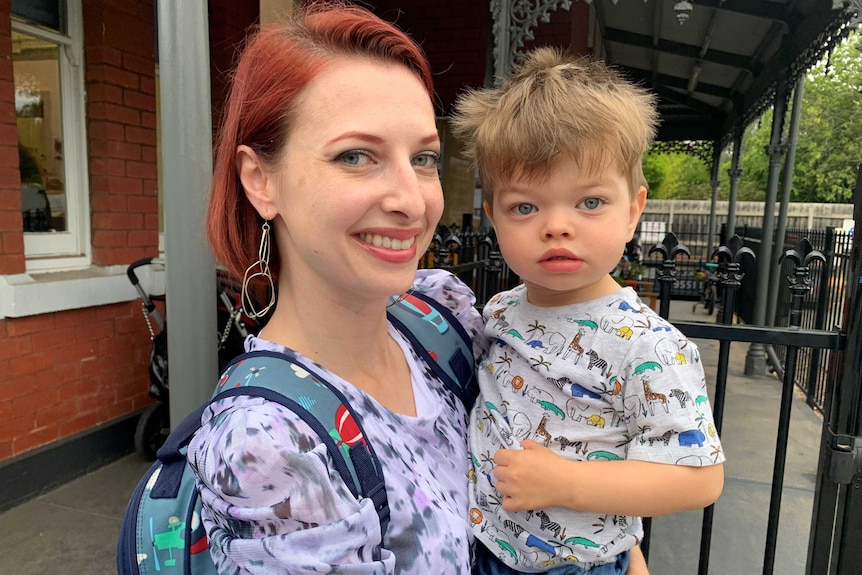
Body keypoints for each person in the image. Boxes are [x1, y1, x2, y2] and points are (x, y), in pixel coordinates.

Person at [188, 3, 486, 572]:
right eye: (356, 156)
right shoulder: (269, 447)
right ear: (261, 180)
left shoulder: (440, 317)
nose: (412, 199)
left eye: (424, 158)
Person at [451, 48, 725, 574]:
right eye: (525, 207)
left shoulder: (646, 344)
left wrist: (568, 485)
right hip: (485, 548)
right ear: (493, 215)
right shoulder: (501, 311)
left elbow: (698, 477)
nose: (557, 225)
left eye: (590, 202)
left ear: (634, 209)